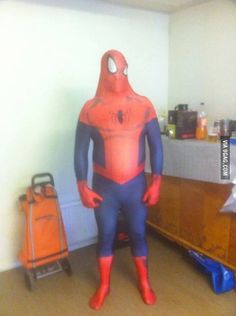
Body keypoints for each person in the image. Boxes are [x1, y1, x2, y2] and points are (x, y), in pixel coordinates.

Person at [74, 49, 163, 310]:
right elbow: (79, 150)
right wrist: (82, 186)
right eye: (112, 69)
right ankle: (104, 286)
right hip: (105, 188)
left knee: (138, 233)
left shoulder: (144, 105)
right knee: (106, 235)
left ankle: (145, 282)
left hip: (135, 186)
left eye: (123, 69)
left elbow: (156, 146)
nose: (118, 75)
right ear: (103, 71)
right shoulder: (90, 109)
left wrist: (157, 182)